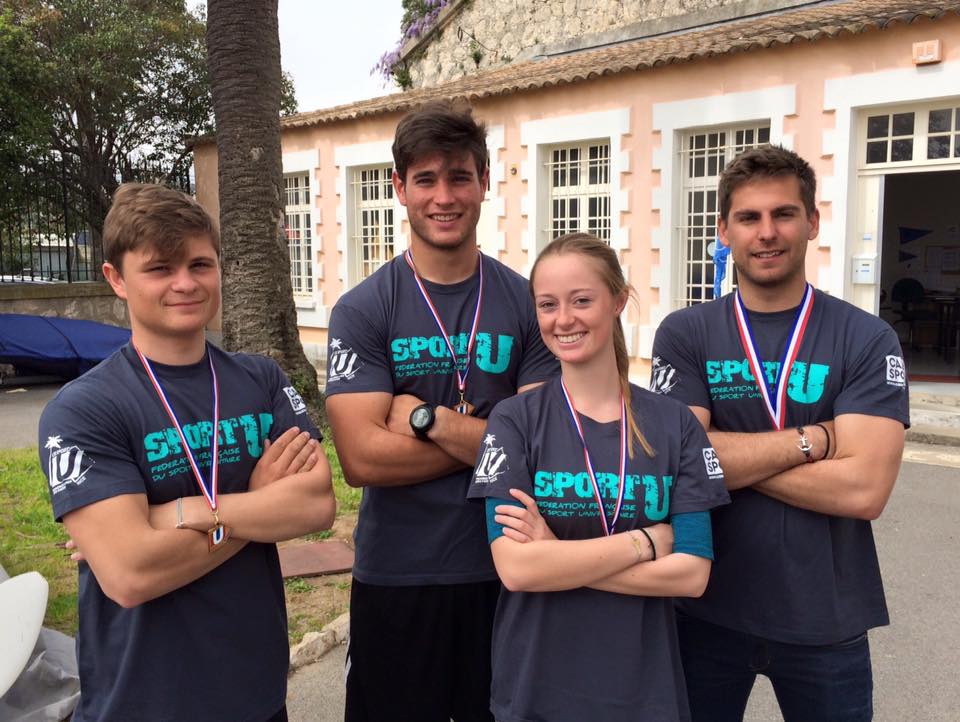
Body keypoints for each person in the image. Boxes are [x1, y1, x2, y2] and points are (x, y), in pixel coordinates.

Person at [38, 183, 336, 722]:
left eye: (200, 264)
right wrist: (259, 503)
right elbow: (130, 574)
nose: (185, 283)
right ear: (116, 279)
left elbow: (316, 505)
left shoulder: (260, 378)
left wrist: (185, 512)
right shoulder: (83, 409)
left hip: (256, 696)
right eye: (160, 268)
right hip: (144, 703)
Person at [650, 146, 909, 721]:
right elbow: (675, 467)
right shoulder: (686, 333)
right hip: (704, 608)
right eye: (748, 218)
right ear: (723, 231)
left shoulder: (865, 338)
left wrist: (724, 457)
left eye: (784, 214)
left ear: (812, 221)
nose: (767, 233)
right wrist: (813, 441)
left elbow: (864, 490)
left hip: (826, 619)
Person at [324, 101, 558, 722]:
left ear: (485, 181)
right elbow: (361, 459)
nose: (444, 196)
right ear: (399, 188)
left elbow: (540, 452)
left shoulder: (530, 303)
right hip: (399, 577)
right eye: (425, 179)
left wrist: (431, 421)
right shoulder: (363, 309)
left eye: (459, 177)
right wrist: (493, 437)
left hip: (506, 569)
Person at [467, 232, 730, 721]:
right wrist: (648, 542)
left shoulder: (675, 424)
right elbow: (518, 569)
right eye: (548, 305)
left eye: (581, 300)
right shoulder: (513, 420)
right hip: (535, 690)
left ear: (618, 301)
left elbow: (693, 574)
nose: (563, 319)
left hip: (641, 693)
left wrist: (558, 558)